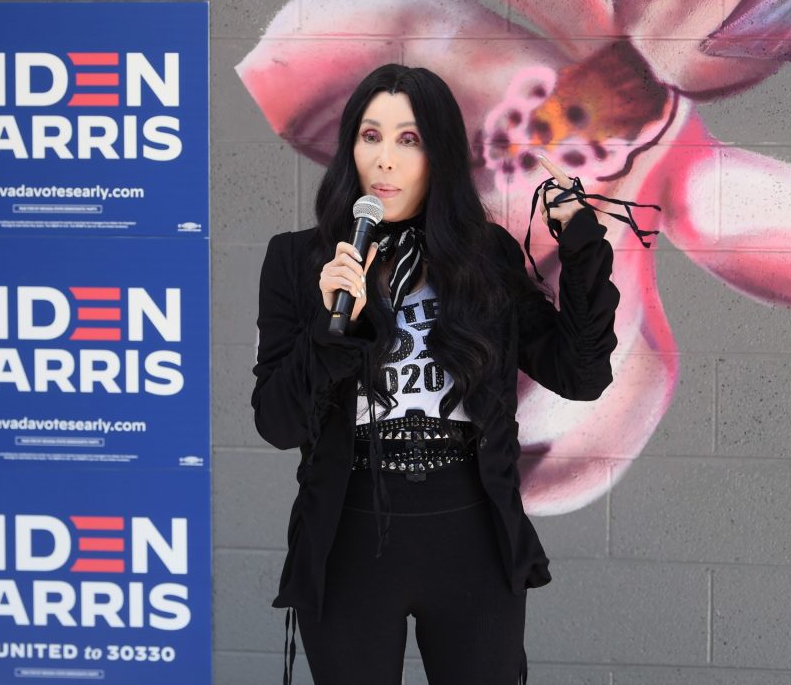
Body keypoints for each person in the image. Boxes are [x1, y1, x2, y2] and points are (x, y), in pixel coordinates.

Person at [250, 63, 620, 684]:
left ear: (439, 155)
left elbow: (580, 374)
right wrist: (332, 327)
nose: (385, 160)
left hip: (469, 530)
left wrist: (579, 242)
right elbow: (277, 423)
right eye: (371, 136)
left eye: (410, 139)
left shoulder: (486, 258)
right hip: (349, 535)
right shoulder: (298, 261)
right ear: (350, 149)